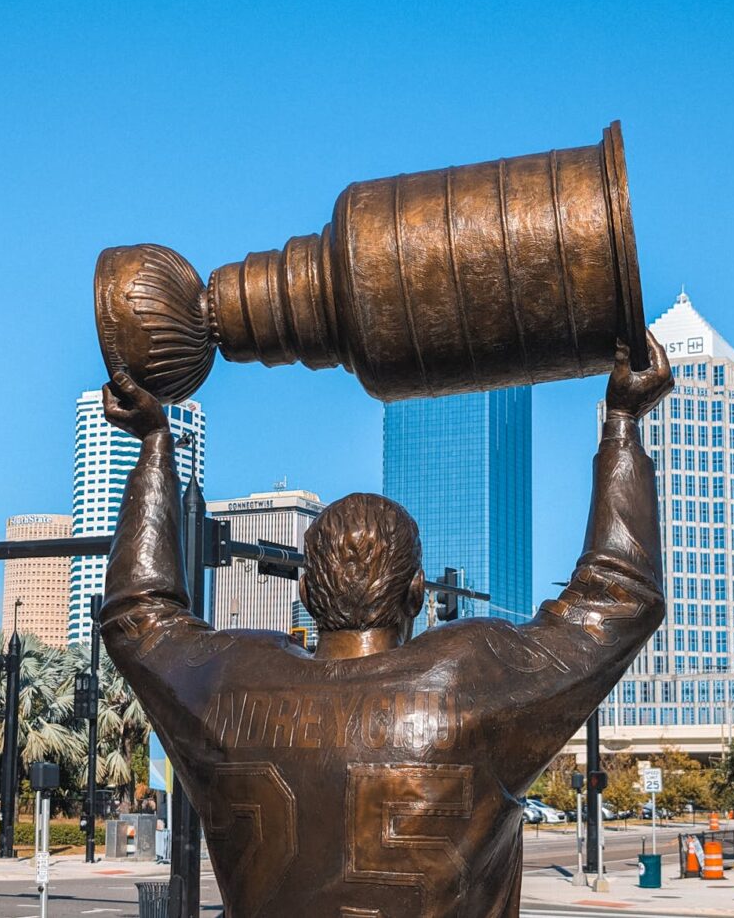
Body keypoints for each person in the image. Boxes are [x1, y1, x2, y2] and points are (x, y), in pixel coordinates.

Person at [101, 332, 672, 918]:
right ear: (418, 592)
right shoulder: (473, 676)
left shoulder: (227, 684)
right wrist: (622, 422)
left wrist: (153, 447)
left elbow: (136, 614)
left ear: (304, 590)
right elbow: (620, 594)